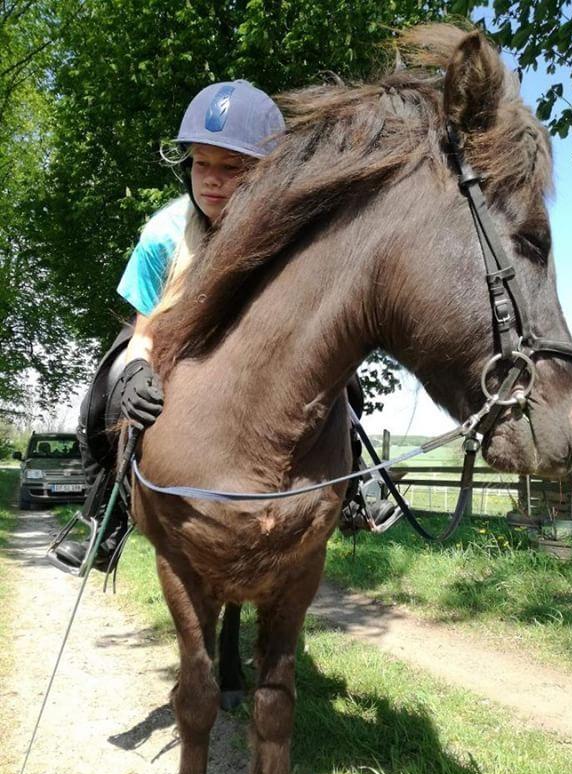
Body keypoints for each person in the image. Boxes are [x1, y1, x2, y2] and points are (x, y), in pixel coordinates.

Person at [51, 79, 393, 573]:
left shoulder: (288, 234)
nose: (211, 179)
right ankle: (107, 514)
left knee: (344, 378)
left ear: (264, 172)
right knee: (104, 390)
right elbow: (145, 330)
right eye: (200, 163)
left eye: (231, 167)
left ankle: (355, 485)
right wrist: (135, 371)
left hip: (262, 345)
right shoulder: (162, 234)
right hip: (173, 335)